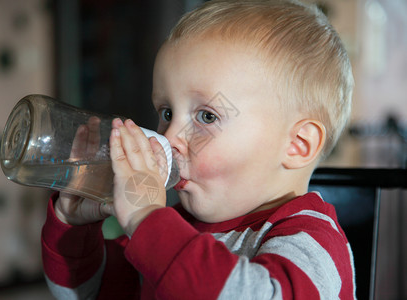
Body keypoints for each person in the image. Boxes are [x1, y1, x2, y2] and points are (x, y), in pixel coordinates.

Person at [41, 0, 356, 299]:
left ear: (297, 145)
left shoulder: (313, 242)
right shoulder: (175, 227)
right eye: (166, 113)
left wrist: (147, 219)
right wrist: (74, 227)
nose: (170, 137)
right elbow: (92, 293)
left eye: (207, 116)